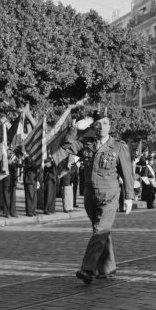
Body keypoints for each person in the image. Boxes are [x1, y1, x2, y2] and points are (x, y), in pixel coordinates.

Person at [61, 111, 134, 285]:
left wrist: (129, 197)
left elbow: (127, 173)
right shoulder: (86, 144)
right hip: (90, 194)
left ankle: (88, 269)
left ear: (110, 126)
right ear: (93, 126)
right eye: (98, 124)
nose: (102, 127)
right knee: (100, 231)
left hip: (110, 194)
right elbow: (66, 145)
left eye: (105, 123)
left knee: (100, 230)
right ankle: (108, 268)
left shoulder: (118, 146)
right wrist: (74, 128)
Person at [0, 148, 22, 218]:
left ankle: (13, 212)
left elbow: (19, 165)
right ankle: (6, 212)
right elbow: (4, 166)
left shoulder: (14, 159)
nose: (10, 154)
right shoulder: (4, 159)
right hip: (6, 180)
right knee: (6, 196)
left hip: (13, 180)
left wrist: (20, 161)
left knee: (13, 197)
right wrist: (10, 161)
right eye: (9, 153)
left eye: (11, 153)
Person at [23, 152, 40, 217]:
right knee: (29, 196)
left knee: (34, 197)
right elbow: (26, 166)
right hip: (29, 180)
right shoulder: (26, 160)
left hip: (34, 179)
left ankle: (33, 210)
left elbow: (36, 169)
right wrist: (28, 158)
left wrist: (37, 180)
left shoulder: (35, 159)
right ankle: (29, 211)